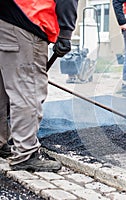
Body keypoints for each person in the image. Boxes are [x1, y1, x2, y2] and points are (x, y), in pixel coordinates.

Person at [0, 0, 78, 171]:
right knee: (28, 89)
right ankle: (25, 154)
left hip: (6, 19)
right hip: (26, 21)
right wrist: (65, 32)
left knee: (3, 90)